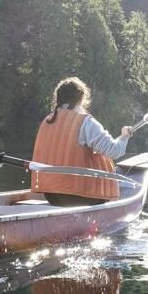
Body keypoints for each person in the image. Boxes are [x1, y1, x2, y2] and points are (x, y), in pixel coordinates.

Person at [31, 77, 132, 206]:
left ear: (58, 99)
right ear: (82, 99)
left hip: (52, 195)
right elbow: (113, 151)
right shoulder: (85, 122)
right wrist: (124, 136)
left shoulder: (47, 122)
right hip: (81, 195)